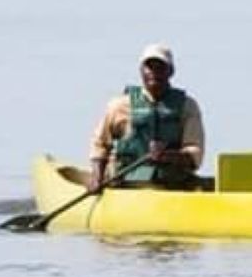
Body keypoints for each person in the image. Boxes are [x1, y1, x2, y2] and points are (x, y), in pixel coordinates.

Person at [87, 43, 206, 192]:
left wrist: (168, 156)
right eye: (149, 67)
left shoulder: (187, 106)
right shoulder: (118, 105)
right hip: (125, 186)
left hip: (171, 187)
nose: (154, 72)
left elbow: (195, 153)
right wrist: (96, 177)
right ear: (141, 71)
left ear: (171, 72)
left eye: (160, 67)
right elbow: (100, 144)